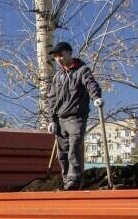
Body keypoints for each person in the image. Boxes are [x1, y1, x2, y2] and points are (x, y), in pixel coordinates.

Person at [46, 41, 103, 190]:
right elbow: (52, 98)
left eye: (60, 55)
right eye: (56, 56)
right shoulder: (58, 76)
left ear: (69, 53)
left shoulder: (82, 70)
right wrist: (51, 120)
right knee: (62, 154)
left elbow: (91, 84)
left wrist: (96, 97)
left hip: (76, 117)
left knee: (74, 149)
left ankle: (74, 179)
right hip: (60, 119)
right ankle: (67, 181)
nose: (58, 59)